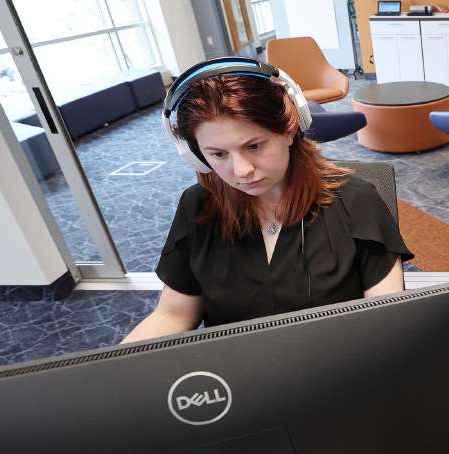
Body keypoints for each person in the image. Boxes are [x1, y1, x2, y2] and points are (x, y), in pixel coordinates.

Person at [123, 58, 412, 343]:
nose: (242, 170)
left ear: (289, 129)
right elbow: (172, 316)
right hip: (237, 378)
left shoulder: (356, 201)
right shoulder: (198, 207)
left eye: (254, 146)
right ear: (196, 155)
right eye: (218, 154)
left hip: (337, 369)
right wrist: (107, 371)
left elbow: (385, 319)